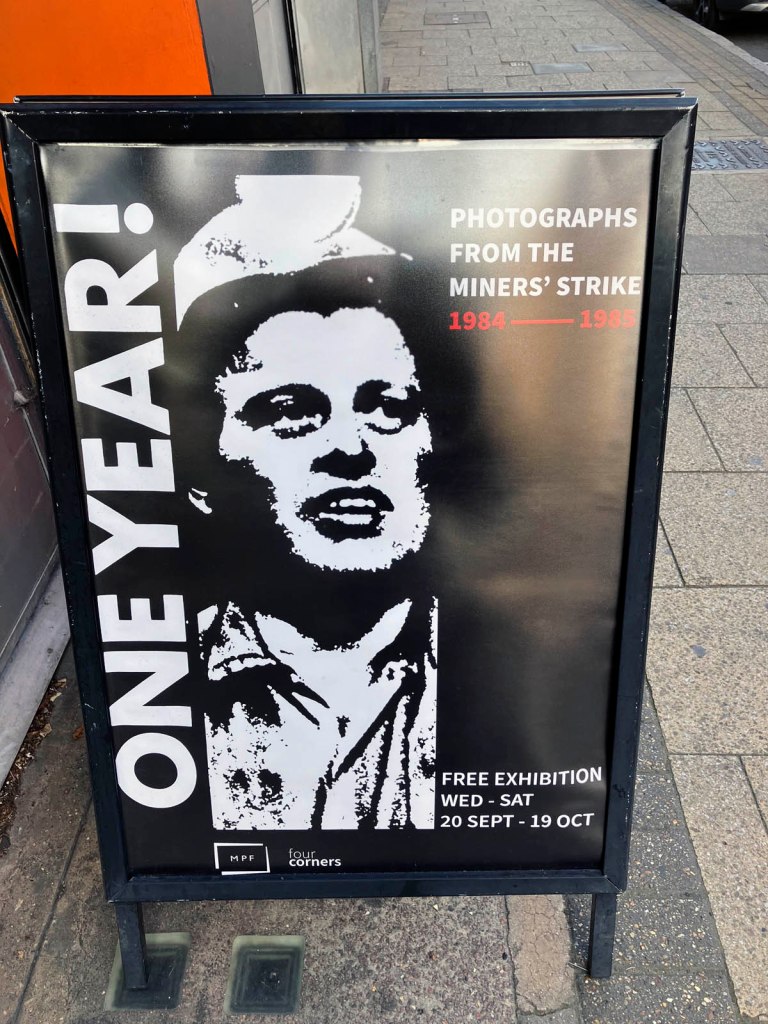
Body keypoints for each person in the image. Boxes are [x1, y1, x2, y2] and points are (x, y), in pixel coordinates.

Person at [174, 175, 438, 831]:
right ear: (205, 468)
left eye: (387, 407)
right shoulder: (164, 686)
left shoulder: (506, 666)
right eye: (291, 413)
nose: (350, 449)